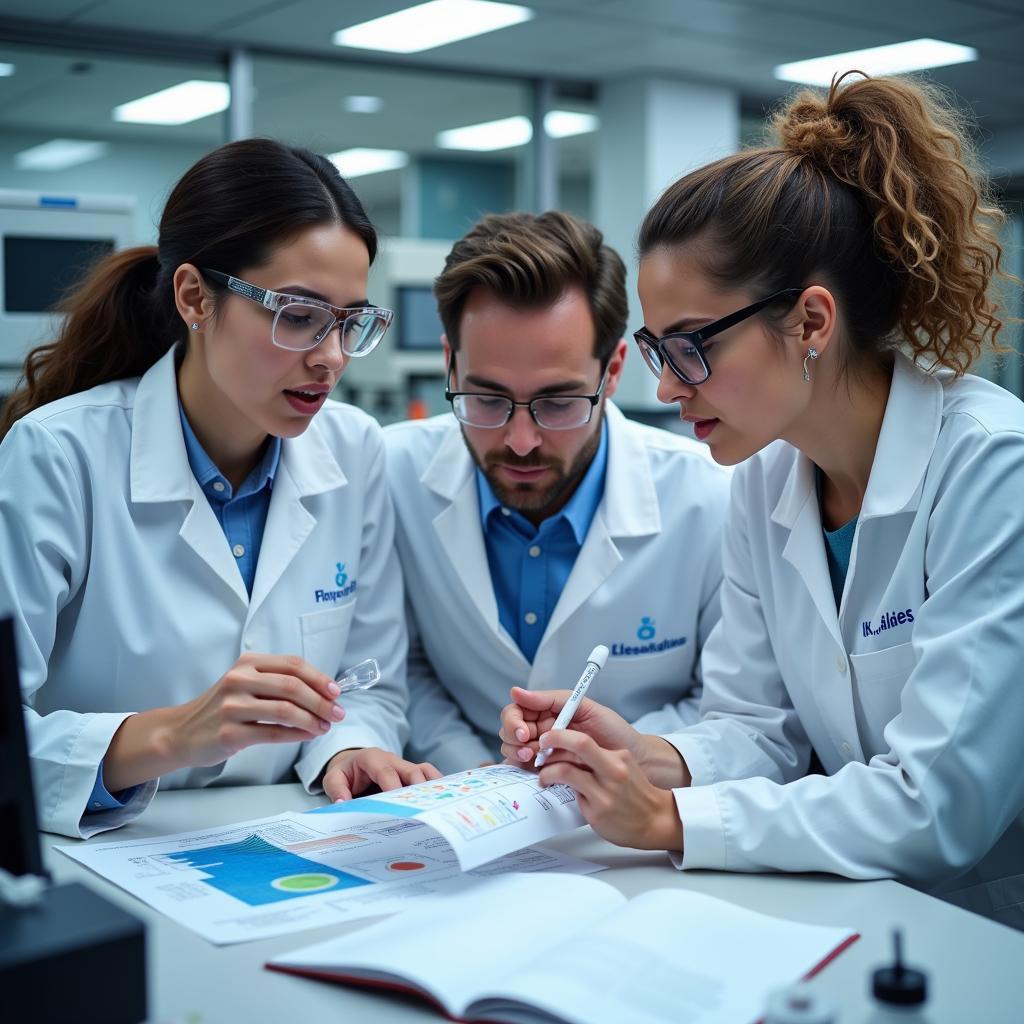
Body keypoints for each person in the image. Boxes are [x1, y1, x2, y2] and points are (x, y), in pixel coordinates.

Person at [500, 73, 1024, 930]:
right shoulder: (764, 477)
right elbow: (761, 727)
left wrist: (667, 818)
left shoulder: (992, 469)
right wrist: (646, 755)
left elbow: (940, 804)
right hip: (854, 906)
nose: (667, 386)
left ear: (811, 322)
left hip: (991, 927)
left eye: (691, 348)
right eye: (654, 348)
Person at [0, 139, 440, 839]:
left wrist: (349, 747)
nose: (330, 358)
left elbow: (371, 676)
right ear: (194, 297)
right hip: (106, 854)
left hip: (295, 842)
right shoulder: (60, 455)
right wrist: (171, 735)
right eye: (298, 315)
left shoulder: (354, 450)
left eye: (350, 322)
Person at [385, 211, 731, 774]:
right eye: (488, 399)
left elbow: (733, 709)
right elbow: (406, 667)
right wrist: (477, 775)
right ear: (450, 363)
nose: (521, 442)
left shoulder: (711, 498)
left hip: (637, 827)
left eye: (559, 402)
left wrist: (606, 763)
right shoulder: (395, 472)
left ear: (612, 371)